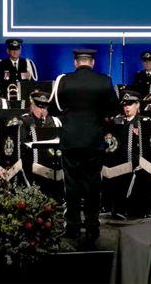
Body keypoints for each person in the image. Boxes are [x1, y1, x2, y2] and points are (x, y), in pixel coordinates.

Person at [51, 49, 119, 239]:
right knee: (92, 184)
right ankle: (92, 227)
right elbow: (114, 107)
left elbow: (54, 107)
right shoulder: (104, 81)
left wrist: (69, 117)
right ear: (93, 62)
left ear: (75, 62)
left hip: (71, 140)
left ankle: (72, 226)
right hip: (93, 140)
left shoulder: (64, 80)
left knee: (71, 184)